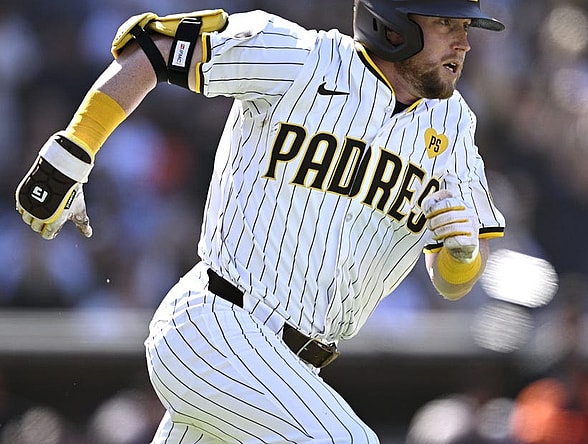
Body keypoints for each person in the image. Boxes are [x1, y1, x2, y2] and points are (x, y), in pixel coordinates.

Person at [14, 1, 506, 442]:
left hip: (291, 370)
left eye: (466, 26)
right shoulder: (301, 57)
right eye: (446, 23)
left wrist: (461, 257)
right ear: (395, 23)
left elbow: (453, 281)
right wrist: (71, 154)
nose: (463, 41)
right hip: (216, 323)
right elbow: (156, 47)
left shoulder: (454, 128)